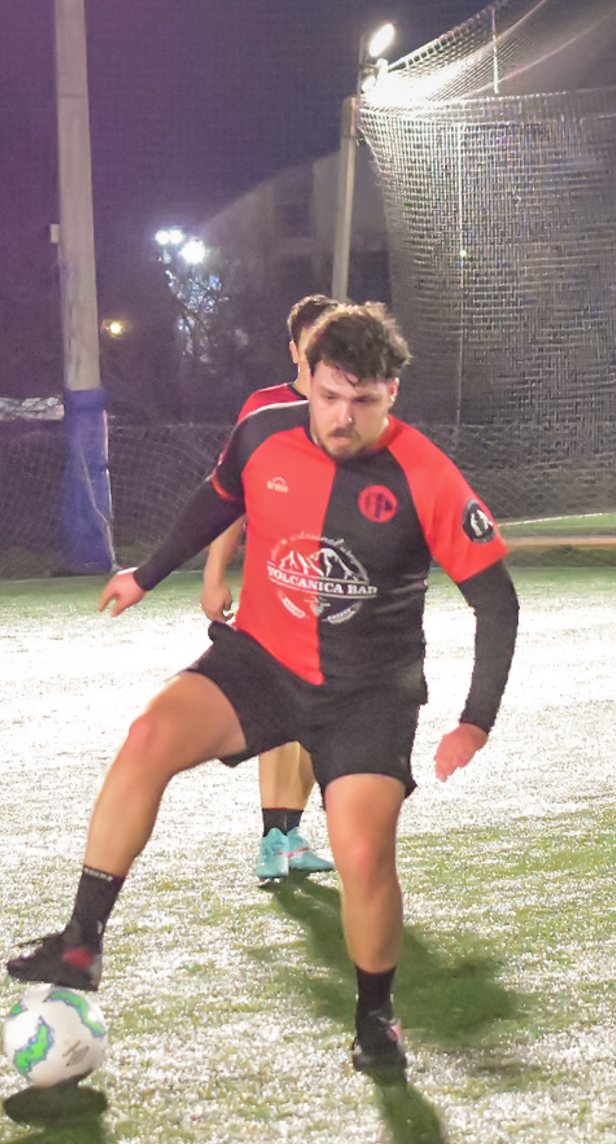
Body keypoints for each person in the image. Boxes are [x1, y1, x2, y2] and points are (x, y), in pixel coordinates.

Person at [8, 304, 519, 1071]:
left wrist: (475, 720)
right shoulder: (262, 432)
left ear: (391, 394)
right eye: (330, 395)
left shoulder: (429, 477)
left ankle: (376, 1017)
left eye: (364, 401)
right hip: (262, 661)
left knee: (361, 851)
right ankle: (81, 944)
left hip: (368, 694)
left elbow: (497, 602)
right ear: (307, 379)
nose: (343, 417)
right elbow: (218, 498)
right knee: (148, 738)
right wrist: (147, 575)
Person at [202, 294, 341, 887]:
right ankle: (271, 838)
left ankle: (291, 833)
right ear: (294, 350)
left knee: (319, 716)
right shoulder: (264, 409)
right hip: (275, 588)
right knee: (277, 709)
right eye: (312, 342)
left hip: (334, 591)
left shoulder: (351, 410)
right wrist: (215, 572)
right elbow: (229, 498)